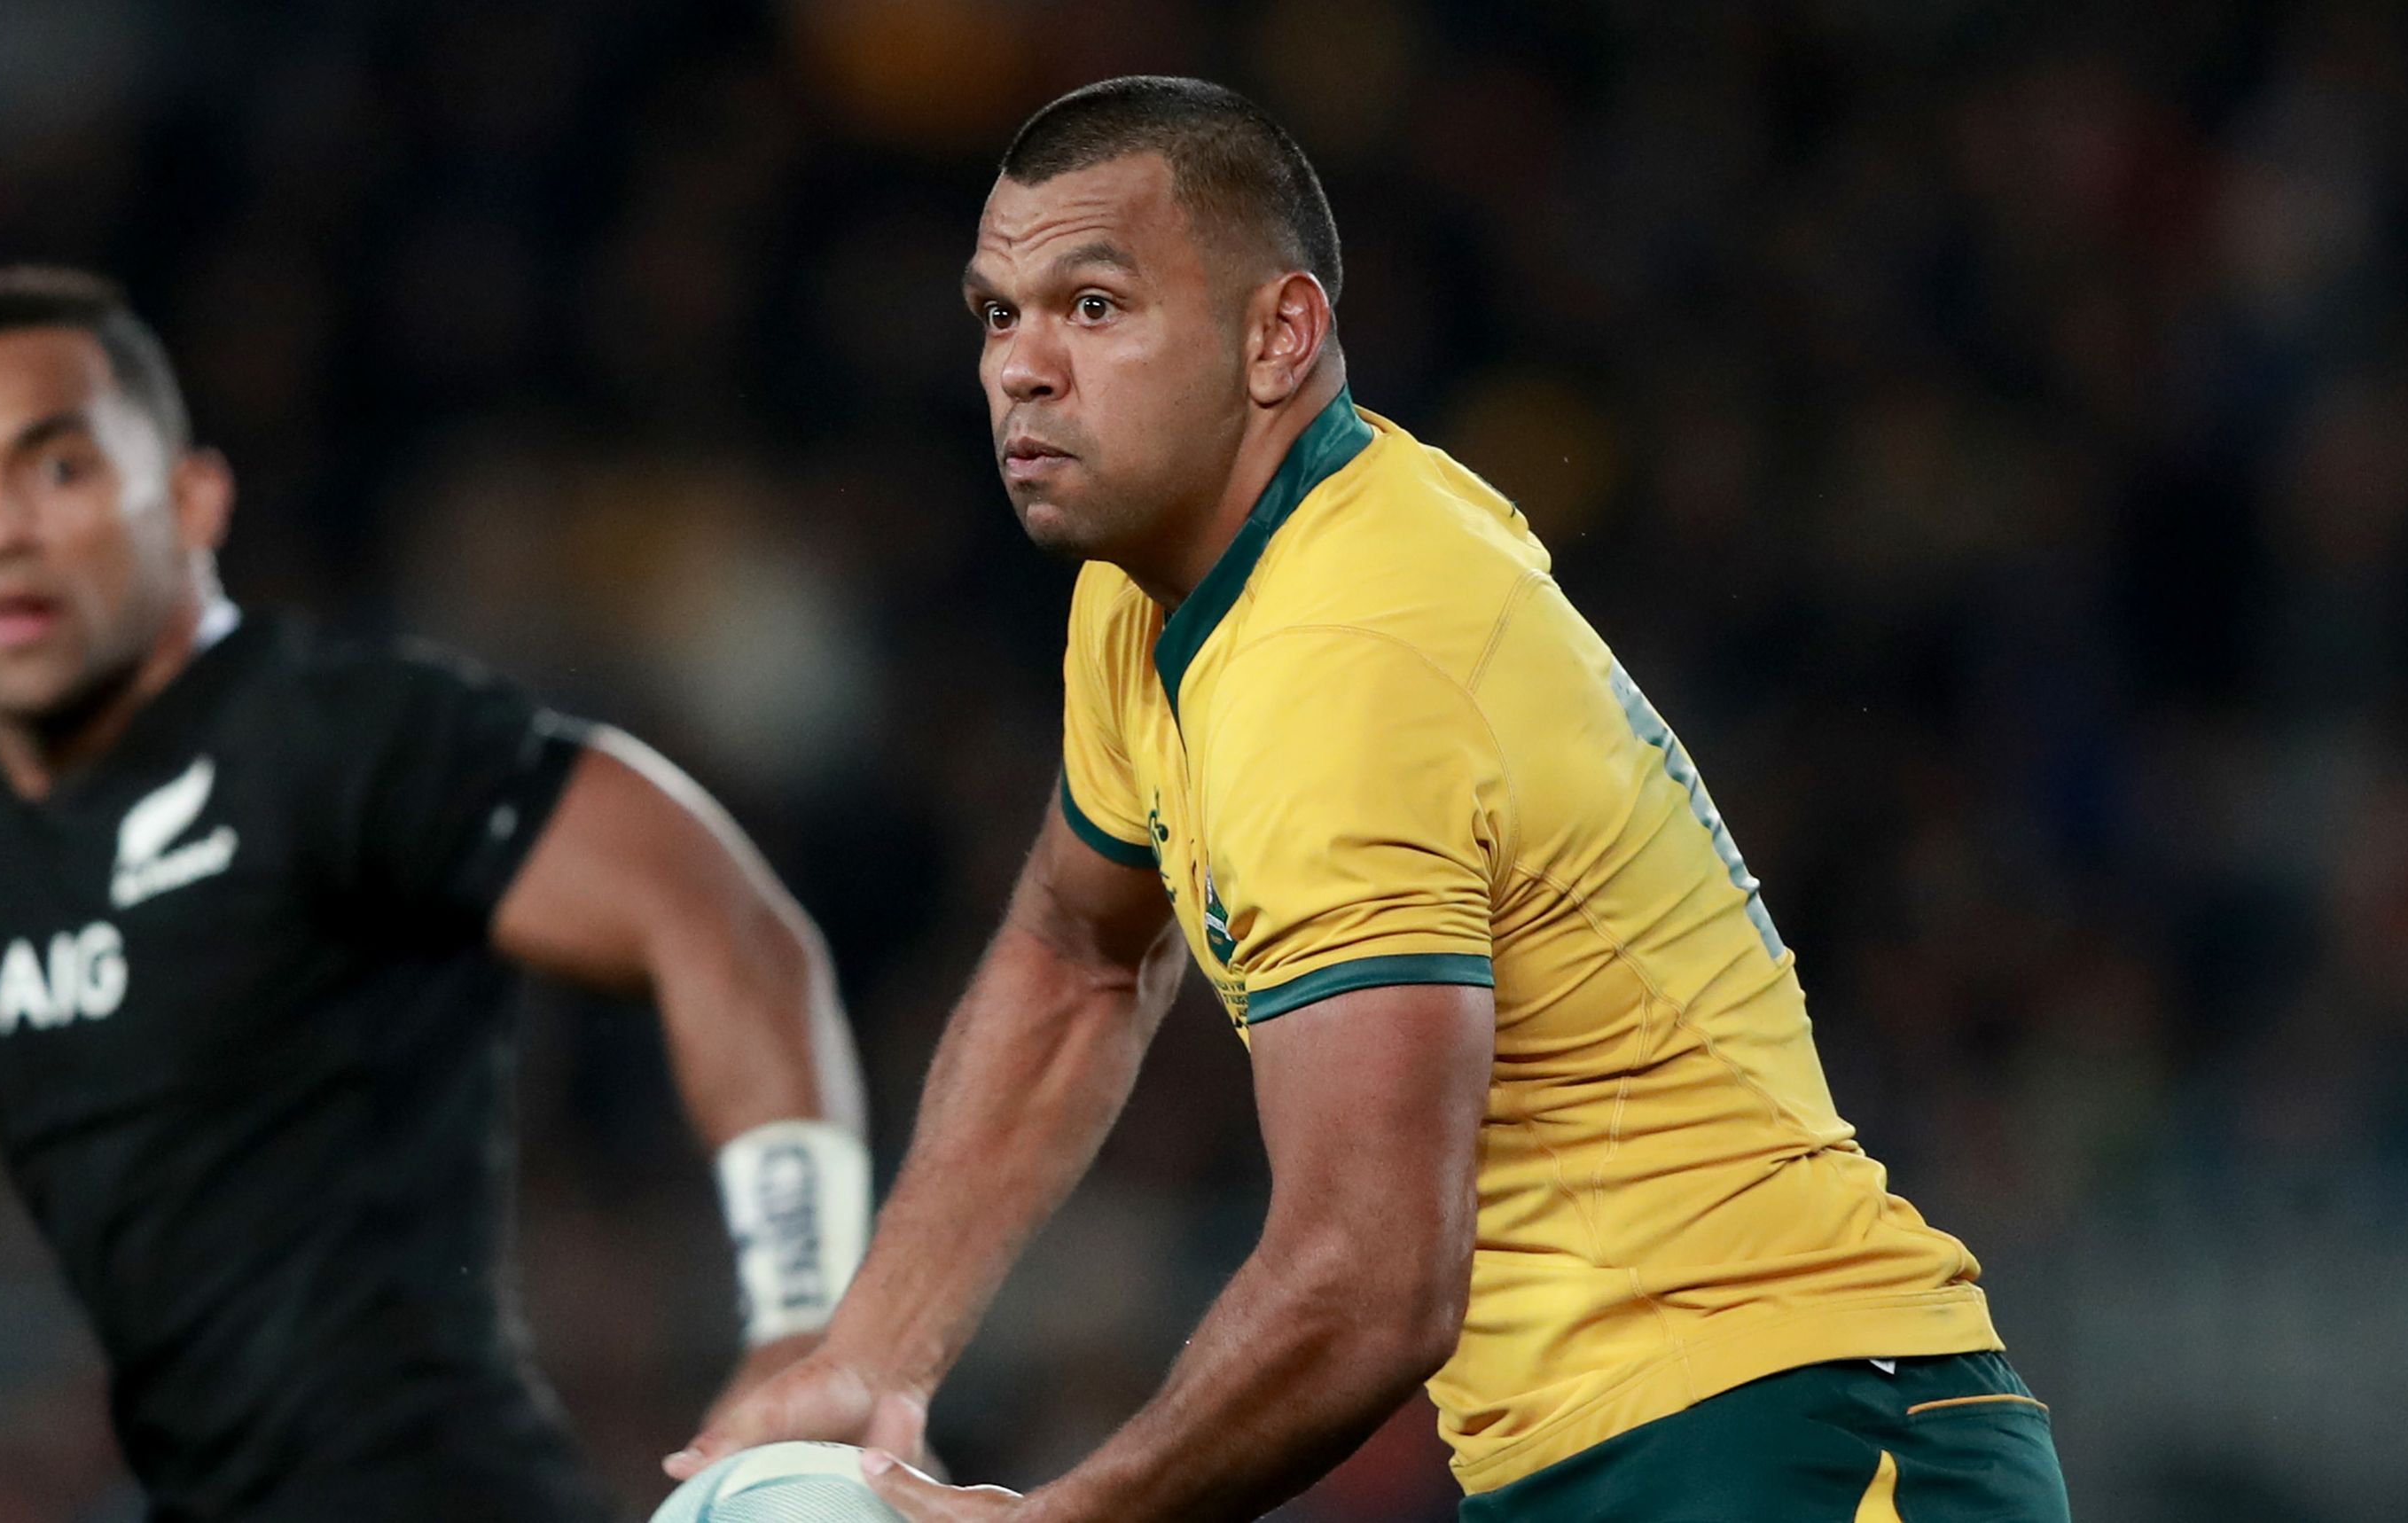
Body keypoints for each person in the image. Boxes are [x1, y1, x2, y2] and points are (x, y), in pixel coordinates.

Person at [672, 75, 2072, 1522]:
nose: (1022, 366)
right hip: (1630, 1453)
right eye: (995, 313)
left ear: (1280, 336)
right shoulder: (1156, 594)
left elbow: (1374, 1285)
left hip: (1798, 1438)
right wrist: (878, 1344)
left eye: (1092, 307)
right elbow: (1080, 953)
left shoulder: (1340, 656)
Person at [0, 266, 872, 1523]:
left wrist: (803, 1316)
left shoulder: (334, 735)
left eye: (56, 469)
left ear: (195, 498)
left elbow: (716, 919)